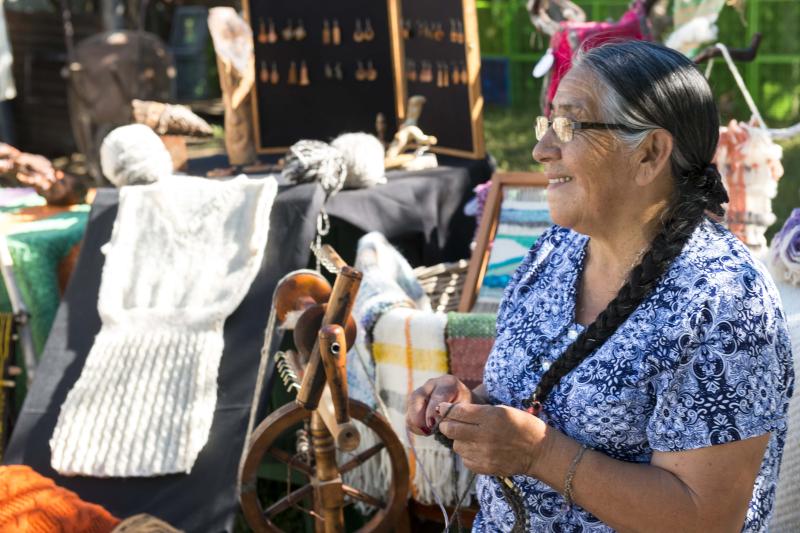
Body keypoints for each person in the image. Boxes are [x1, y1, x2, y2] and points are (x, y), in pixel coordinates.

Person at [407, 40, 794, 533]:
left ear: (650, 154)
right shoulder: (556, 250)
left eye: (569, 125)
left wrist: (539, 453)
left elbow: (707, 517)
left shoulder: (725, 301)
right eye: (547, 124)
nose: (542, 149)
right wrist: (468, 405)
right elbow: (535, 393)